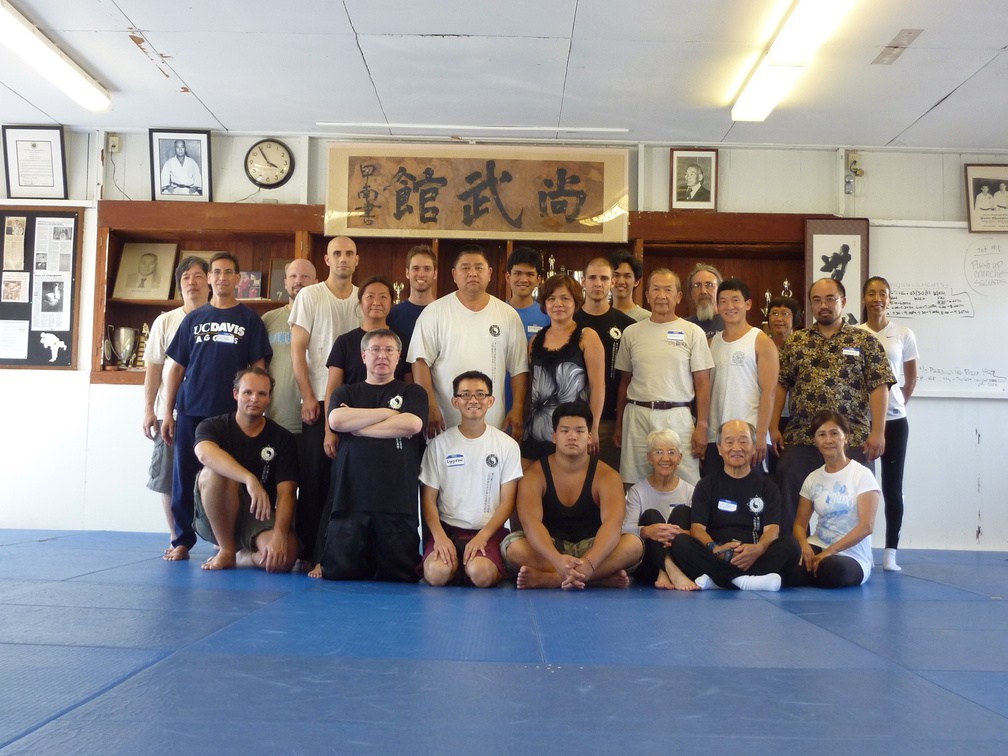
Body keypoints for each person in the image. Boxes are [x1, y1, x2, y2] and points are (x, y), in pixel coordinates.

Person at [161, 253, 272, 561]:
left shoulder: (250, 319)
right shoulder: (192, 320)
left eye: (229, 273)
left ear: (239, 279)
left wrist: (258, 409)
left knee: (229, 479)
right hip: (191, 409)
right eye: (217, 272)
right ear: (210, 278)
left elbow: (260, 369)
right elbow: (176, 368)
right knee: (184, 476)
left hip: (232, 416)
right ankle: (182, 539)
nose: (222, 277)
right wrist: (168, 412)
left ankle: (229, 540)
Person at [772, 278, 894, 536]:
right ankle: (794, 553)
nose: (823, 305)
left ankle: (843, 554)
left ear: (844, 302)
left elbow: (879, 386)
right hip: (802, 435)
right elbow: (780, 385)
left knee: (852, 501)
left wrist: (878, 431)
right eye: (817, 300)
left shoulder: (865, 341)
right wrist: (773, 427)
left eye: (830, 299)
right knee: (787, 486)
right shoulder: (796, 342)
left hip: (854, 438)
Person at [312, 329, 427, 582]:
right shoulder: (345, 392)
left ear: (398, 357)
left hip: (397, 504)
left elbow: (412, 425)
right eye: (375, 349)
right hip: (350, 502)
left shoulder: (413, 393)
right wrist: (390, 413)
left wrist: (358, 427)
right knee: (339, 574)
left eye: (389, 350)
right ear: (364, 356)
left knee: (400, 577)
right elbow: (336, 419)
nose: (382, 356)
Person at [502, 401, 644, 589]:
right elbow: (531, 523)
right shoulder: (535, 475)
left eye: (579, 431)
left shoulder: (607, 476)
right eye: (565, 431)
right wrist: (557, 561)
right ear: (554, 436)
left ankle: (551, 579)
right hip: (550, 548)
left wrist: (590, 563)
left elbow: (613, 524)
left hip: (592, 546)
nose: (572, 437)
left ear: (590, 437)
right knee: (513, 547)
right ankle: (599, 579)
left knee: (634, 545)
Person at [288, 236, 361, 562]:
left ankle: (343, 550)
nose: (343, 259)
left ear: (356, 260)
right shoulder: (310, 295)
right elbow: (297, 348)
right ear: (327, 260)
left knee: (347, 481)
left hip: (356, 404)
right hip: (318, 399)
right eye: (337, 253)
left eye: (348, 253)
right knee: (315, 479)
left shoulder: (364, 298)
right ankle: (308, 552)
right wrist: (307, 396)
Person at [409, 244, 528, 439]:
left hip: (492, 423)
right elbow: (420, 363)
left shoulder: (508, 315)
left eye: (479, 268)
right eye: (465, 268)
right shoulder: (434, 312)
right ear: (454, 274)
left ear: (489, 273)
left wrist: (517, 408)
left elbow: (519, 368)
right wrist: (430, 406)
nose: (472, 273)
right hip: (443, 422)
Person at [669, 419, 800, 591]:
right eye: (729, 442)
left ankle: (718, 580)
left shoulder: (768, 487)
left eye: (743, 441)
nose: (736, 448)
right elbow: (698, 529)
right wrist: (716, 549)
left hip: (754, 556)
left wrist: (758, 549)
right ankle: (745, 582)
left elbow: (772, 530)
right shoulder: (706, 485)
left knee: (791, 546)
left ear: (753, 447)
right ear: (719, 449)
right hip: (717, 555)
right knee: (680, 543)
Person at [419, 371, 523, 588]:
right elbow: (428, 500)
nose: (473, 400)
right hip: (447, 530)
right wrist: (439, 537)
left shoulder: (507, 445)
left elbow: (508, 502)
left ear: (491, 401)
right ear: (455, 402)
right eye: (465, 395)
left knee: (481, 575)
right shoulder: (439, 445)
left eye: (480, 394)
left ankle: (474, 566)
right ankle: (456, 566)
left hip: (488, 531)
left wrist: (483, 537)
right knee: (436, 575)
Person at [192, 368, 299, 572]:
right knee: (215, 473)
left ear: (269, 398)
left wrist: (279, 535)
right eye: (247, 392)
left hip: (257, 515)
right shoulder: (213, 426)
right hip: (215, 514)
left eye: (261, 394)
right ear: (236, 394)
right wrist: (250, 480)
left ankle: (241, 555)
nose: (254, 399)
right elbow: (205, 454)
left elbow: (287, 493)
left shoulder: (283, 438)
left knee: (283, 559)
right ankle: (225, 549)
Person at [614, 268, 713, 486]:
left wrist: (702, 426)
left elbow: (703, 383)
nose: (661, 296)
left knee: (686, 482)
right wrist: (619, 423)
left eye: (668, 290)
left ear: (678, 296)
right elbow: (624, 382)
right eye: (656, 290)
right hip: (637, 416)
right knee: (633, 482)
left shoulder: (692, 332)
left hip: (678, 416)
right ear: (647, 296)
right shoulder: (631, 332)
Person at [142, 256, 210, 554]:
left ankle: (222, 541)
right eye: (185, 278)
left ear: (209, 281)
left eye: (197, 276)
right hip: (171, 414)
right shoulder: (166, 321)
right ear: (179, 284)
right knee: (170, 478)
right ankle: (177, 538)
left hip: (211, 412)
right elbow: (154, 368)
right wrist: (151, 411)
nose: (192, 282)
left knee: (214, 478)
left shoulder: (222, 317)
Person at [857, 276, 918, 572]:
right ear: (864, 298)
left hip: (895, 422)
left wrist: (896, 404)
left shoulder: (904, 333)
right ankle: (857, 548)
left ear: (890, 299)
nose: (877, 298)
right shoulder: (854, 333)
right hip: (859, 422)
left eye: (883, 293)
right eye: (871, 293)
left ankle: (891, 551)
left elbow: (911, 377)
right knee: (858, 486)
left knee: (892, 487)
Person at [787, 411, 880, 588]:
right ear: (815, 440)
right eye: (822, 435)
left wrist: (829, 552)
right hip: (818, 545)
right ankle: (812, 570)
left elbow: (866, 526)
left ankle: (815, 571)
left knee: (831, 570)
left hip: (851, 555)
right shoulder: (812, 478)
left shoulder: (862, 475)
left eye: (834, 433)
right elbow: (799, 524)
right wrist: (803, 545)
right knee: (788, 566)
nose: (828, 440)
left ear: (846, 437)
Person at [522, 274, 605, 465]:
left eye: (565, 298)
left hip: (574, 431)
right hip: (537, 428)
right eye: (551, 299)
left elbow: (598, 386)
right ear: (544, 304)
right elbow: (531, 386)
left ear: (575, 302)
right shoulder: (535, 340)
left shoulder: (587, 336)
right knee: (532, 484)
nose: (558, 303)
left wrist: (594, 428)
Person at [704, 278, 778, 475]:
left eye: (735, 300)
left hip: (750, 437)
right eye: (723, 301)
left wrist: (761, 434)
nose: (729, 306)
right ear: (717, 306)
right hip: (717, 438)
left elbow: (770, 392)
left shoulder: (760, 341)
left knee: (751, 499)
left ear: (748, 304)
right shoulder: (711, 343)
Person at [574, 256, 636, 473]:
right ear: (583, 281)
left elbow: (630, 378)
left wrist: (619, 422)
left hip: (611, 420)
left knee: (608, 484)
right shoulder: (569, 321)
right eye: (592, 277)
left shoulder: (627, 326)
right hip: (572, 420)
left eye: (604, 278)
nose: (597, 283)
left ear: (612, 283)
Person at [623, 429, 698, 590]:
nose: (665, 458)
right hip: (647, 564)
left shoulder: (690, 491)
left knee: (682, 511)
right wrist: (647, 531)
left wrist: (681, 534)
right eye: (658, 452)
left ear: (680, 458)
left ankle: (668, 570)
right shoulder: (637, 491)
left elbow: (700, 530)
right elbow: (624, 529)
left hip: (682, 560)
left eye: (671, 452)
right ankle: (667, 569)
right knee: (651, 515)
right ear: (650, 458)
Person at [324, 275, 408, 407]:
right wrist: (329, 426)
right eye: (370, 296)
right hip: (352, 418)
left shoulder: (402, 341)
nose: (376, 302)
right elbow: (333, 390)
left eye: (383, 296)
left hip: (393, 419)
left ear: (391, 303)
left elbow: (409, 385)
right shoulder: (344, 342)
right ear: (360, 302)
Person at [262, 259, 317, 438]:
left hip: (316, 416)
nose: (298, 281)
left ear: (316, 283)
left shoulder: (324, 317)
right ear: (285, 283)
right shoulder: (268, 319)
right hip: (277, 417)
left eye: (305, 276)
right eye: (293, 276)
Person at [766, 295, 801, 475]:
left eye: (785, 313)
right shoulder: (761, 346)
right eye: (774, 313)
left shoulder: (803, 347)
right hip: (768, 417)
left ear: (795, 318)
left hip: (797, 420)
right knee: (772, 471)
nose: (779, 318)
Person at [386, 244, 437, 356]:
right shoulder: (392, 315)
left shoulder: (443, 313)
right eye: (415, 268)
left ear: (435, 273)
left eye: (427, 269)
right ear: (407, 273)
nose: (421, 274)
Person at [505, 246, 551, 341]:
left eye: (530, 274)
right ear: (508, 277)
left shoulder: (548, 315)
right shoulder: (498, 313)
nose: (523, 280)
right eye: (517, 273)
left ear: (538, 279)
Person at [684, 263, 725, 340]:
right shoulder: (683, 327)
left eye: (709, 284)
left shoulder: (731, 324)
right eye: (697, 285)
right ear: (691, 293)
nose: (703, 291)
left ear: (720, 290)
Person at [610, 250, 650, 322]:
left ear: (636, 281)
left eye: (627, 276)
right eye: (616, 275)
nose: (621, 281)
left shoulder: (647, 318)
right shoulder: (601, 315)